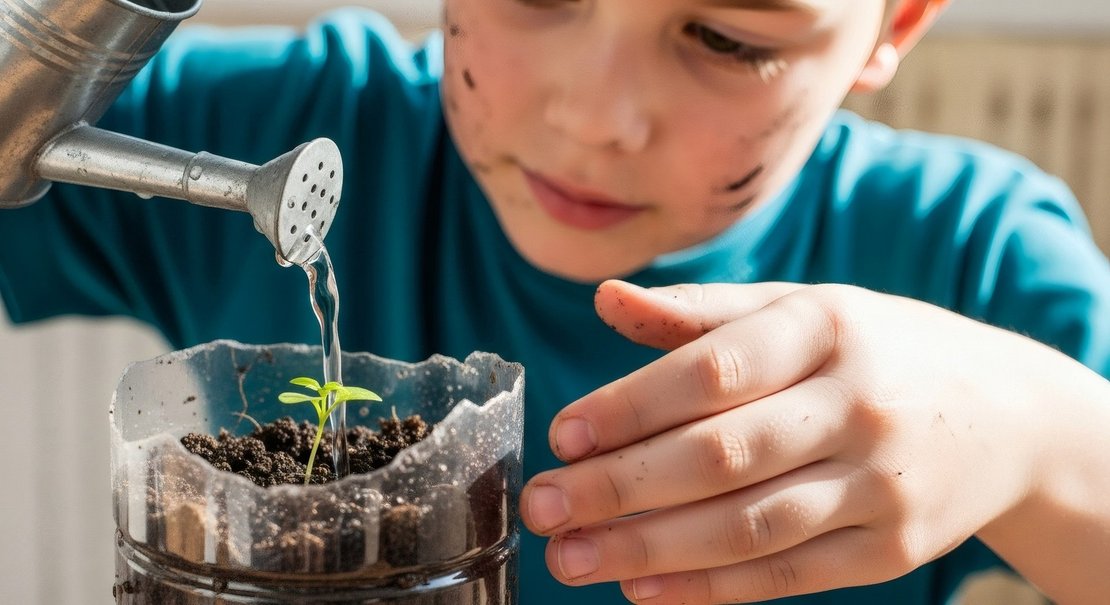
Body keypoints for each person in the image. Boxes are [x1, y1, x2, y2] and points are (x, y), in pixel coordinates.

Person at [1, 0, 1108, 603]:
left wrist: (1030, 428)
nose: (596, 117)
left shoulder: (970, 255)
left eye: (727, 39)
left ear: (895, 23)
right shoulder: (287, 126)